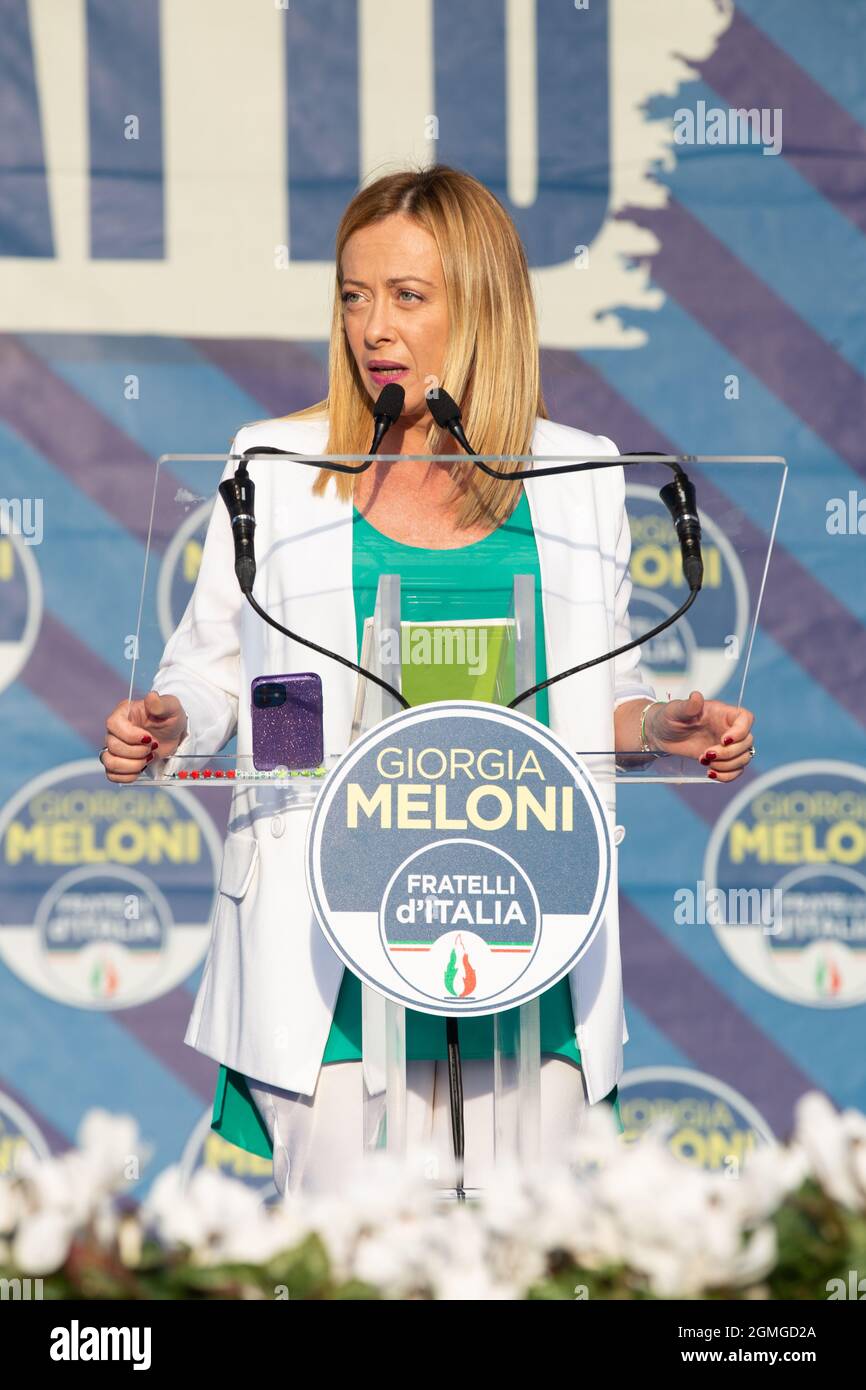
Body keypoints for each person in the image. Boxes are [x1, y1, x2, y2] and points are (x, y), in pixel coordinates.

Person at [100, 164, 756, 1199]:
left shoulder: (579, 475)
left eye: (406, 296)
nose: (372, 325)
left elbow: (601, 692)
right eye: (354, 295)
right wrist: (176, 717)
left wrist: (662, 723)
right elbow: (220, 667)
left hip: (524, 917)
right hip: (331, 929)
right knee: (352, 1258)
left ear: (480, 303)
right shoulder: (273, 461)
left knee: (531, 1255)